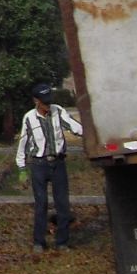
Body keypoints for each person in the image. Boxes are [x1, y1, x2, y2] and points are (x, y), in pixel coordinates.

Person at [16, 82, 82, 251]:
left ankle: (62, 242)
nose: (47, 105)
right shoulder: (29, 118)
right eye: (44, 102)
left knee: (62, 204)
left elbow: (75, 127)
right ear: (36, 101)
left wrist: (90, 131)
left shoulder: (58, 111)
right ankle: (39, 241)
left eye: (49, 101)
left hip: (58, 164)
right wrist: (22, 169)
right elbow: (23, 143)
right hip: (39, 165)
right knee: (41, 204)